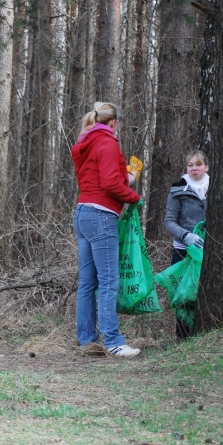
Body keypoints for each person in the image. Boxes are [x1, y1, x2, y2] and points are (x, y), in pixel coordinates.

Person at [71, 102, 142, 357]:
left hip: (82, 214)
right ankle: (113, 340)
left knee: (88, 282)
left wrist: (127, 178)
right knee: (109, 281)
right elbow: (110, 184)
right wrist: (134, 196)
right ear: (113, 122)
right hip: (101, 215)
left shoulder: (87, 143)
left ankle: (88, 340)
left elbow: (98, 177)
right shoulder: (108, 142)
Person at [164, 150, 209, 340]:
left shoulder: (218, 187)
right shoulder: (177, 189)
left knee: (205, 295)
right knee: (183, 297)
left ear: (206, 167)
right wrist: (186, 236)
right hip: (183, 253)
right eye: (190, 165)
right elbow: (169, 222)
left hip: (208, 252)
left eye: (198, 164)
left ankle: (206, 336)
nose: (194, 168)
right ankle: (182, 340)